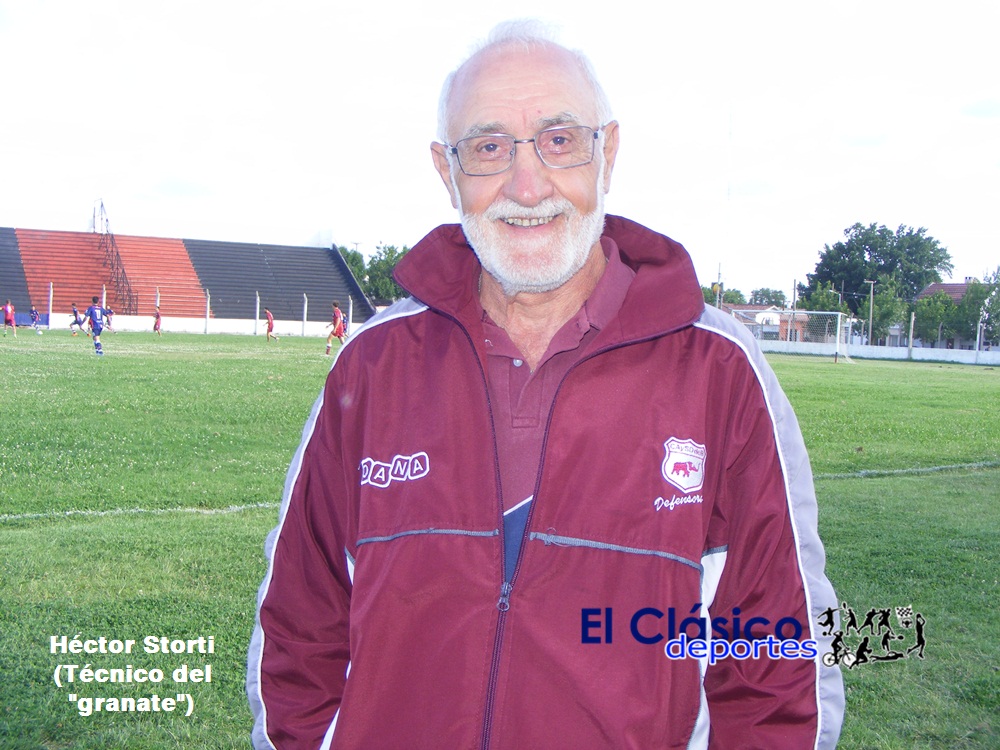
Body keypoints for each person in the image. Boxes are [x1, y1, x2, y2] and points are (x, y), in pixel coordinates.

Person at [248, 20, 844, 750]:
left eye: (559, 140)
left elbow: (778, 666)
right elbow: (296, 635)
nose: (526, 185)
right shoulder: (371, 370)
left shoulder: (721, 374)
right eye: (489, 147)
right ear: (447, 170)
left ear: (608, 152)